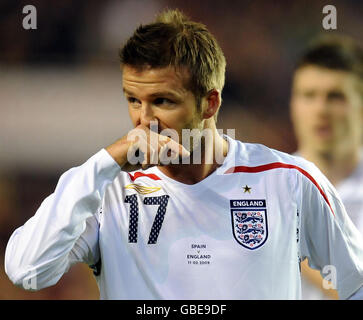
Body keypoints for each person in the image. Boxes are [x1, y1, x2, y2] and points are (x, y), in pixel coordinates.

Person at [5, 9, 363, 300]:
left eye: (162, 101)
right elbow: (27, 271)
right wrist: (102, 163)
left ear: (210, 103)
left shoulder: (288, 181)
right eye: (133, 100)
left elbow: (356, 283)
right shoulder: (107, 191)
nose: (144, 120)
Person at [290, 35, 363, 299]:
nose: (321, 109)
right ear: (293, 106)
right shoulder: (268, 189)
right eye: (308, 95)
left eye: (335, 97)